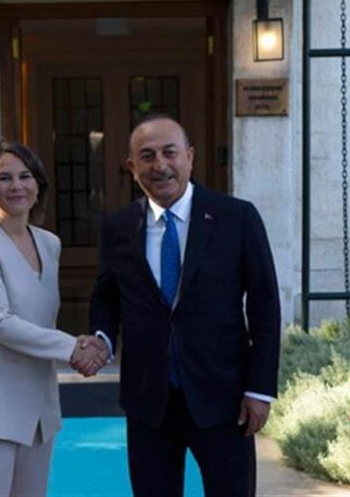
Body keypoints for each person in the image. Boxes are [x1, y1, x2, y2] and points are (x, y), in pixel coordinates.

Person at [88, 114, 280, 496]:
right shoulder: (118, 226)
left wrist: (260, 389)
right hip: (149, 403)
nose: (160, 165)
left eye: (169, 152)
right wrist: (102, 339)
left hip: (224, 400)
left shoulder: (237, 217)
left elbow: (265, 306)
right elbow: (106, 296)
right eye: (147, 156)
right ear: (132, 167)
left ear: (189, 157)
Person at [0, 140, 108, 496]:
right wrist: (73, 348)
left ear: (38, 185)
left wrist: (84, 344)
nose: (16, 186)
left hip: (39, 408)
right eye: (4, 177)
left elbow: (39, 321)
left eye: (25, 176)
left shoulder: (50, 243)